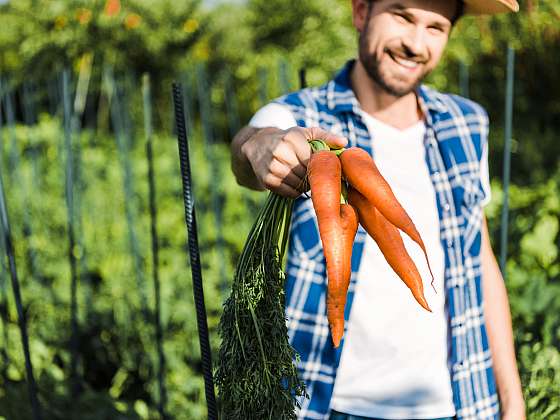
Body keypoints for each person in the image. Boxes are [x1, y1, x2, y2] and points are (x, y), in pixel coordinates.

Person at [230, 0, 525, 419]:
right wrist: (260, 149)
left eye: (435, 27)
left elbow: (479, 260)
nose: (415, 43)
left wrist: (512, 402)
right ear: (361, 13)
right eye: (402, 16)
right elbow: (252, 145)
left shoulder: (466, 123)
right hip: (326, 404)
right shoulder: (303, 115)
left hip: (457, 404)